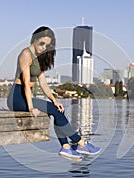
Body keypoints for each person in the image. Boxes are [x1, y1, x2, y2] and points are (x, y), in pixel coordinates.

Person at [7, 26, 101, 160]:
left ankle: (67, 147)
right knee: (55, 111)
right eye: (42, 43)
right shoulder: (25, 54)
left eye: (47, 45)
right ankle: (80, 143)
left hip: (25, 96)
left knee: (57, 109)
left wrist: (54, 100)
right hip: (17, 97)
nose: (44, 47)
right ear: (34, 40)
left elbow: (44, 84)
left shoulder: (39, 58)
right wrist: (31, 107)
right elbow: (26, 83)